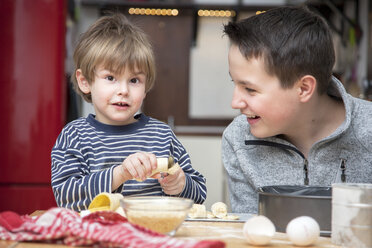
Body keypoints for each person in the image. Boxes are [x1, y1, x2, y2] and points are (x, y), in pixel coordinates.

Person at [222, 6, 372, 214]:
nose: (235, 102)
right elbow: (252, 231)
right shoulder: (238, 139)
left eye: (249, 89)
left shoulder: (369, 130)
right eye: (235, 83)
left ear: (303, 88)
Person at [51, 13, 206, 211]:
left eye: (134, 80)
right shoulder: (74, 136)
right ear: (85, 81)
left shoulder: (162, 136)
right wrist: (120, 174)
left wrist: (181, 184)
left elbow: (199, 194)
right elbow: (66, 199)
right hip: (98, 237)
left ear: (146, 85)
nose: (124, 90)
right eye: (110, 77)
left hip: (152, 237)